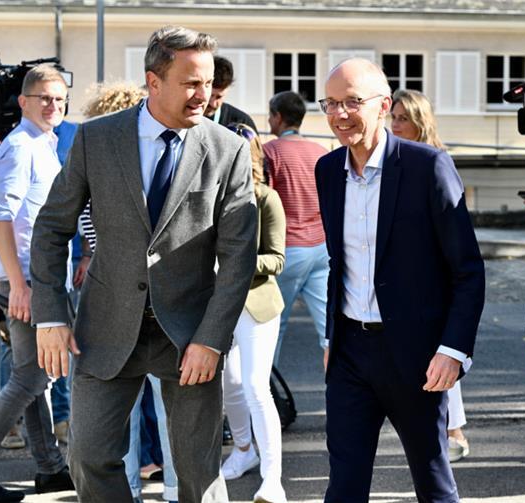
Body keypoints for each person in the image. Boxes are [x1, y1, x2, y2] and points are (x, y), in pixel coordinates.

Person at [29, 26, 258, 502]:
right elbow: (51, 229)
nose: (204, 94)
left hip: (190, 335)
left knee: (199, 473)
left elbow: (238, 257)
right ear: (154, 82)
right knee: (88, 457)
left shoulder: (228, 148)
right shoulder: (96, 140)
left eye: (209, 82)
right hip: (106, 326)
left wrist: (212, 340)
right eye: (191, 83)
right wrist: (51, 315)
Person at [315, 58, 485, 502]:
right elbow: (341, 263)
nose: (339, 114)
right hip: (351, 353)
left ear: (384, 105)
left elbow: (467, 269)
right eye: (330, 104)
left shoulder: (427, 166)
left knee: (432, 482)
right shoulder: (326, 170)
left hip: (417, 356)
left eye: (352, 102)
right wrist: (333, 337)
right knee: (344, 485)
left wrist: (452, 350)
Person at [0, 64, 75, 502]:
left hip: (35, 277)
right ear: (24, 101)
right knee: (30, 378)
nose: (54, 105)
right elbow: (1, 217)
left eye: (60, 99)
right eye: (45, 97)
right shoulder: (21, 146)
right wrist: (20, 285)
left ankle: (50, 467)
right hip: (27, 280)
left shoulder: (44, 144)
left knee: (35, 375)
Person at [78, 79, 178, 503]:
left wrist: (98, 256)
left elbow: (89, 230)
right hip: (146, 304)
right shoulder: (129, 152)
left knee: (129, 416)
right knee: (165, 413)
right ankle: (172, 488)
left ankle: (134, 487)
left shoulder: (96, 153)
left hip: (122, 301)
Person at [390, 88, 470, 463]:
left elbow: (453, 225)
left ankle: (453, 430)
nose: (395, 124)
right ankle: (440, 430)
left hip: (434, 275)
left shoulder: (436, 160)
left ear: (420, 121)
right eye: (393, 117)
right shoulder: (388, 159)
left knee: (440, 353)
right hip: (399, 275)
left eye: (403, 117)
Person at [221, 124, 288, 502]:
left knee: (255, 387)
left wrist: (233, 266)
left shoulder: (266, 198)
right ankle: (244, 451)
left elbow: (277, 259)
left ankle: (272, 478)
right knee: (228, 384)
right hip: (218, 304)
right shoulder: (209, 196)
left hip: (257, 304)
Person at [262, 90, 330, 364]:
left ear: (278, 117)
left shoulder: (270, 152)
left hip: (288, 248)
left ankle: (267, 396)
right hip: (321, 247)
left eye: (270, 116)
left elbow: (265, 203)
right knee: (330, 328)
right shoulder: (321, 152)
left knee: (272, 326)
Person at [204, 55, 257, 131]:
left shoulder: (242, 122)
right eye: (209, 96)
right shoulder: (184, 118)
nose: (213, 103)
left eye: (219, 97)